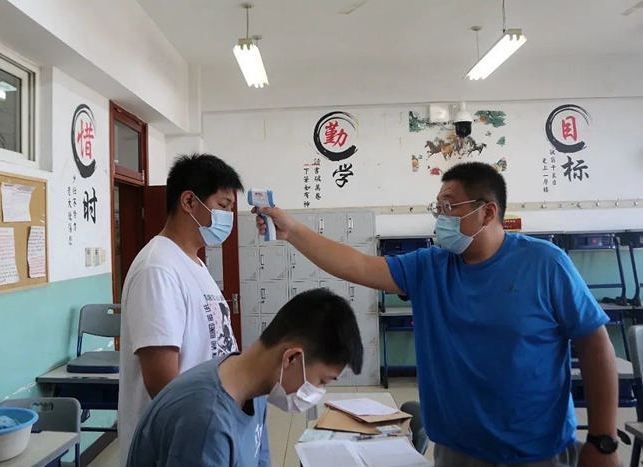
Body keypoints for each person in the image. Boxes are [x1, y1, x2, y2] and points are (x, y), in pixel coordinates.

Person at [254, 162, 620, 467]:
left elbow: (595, 344)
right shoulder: (429, 267)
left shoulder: (545, 264)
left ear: (488, 211)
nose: (440, 217)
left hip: (538, 452)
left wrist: (603, 440)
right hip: (455, 451)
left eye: (450, 206)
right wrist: (293, 231)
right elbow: (358, 265)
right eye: (438, 207)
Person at [127, 288, 364, 467]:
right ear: (291, 358)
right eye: (322, 381)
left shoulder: (254, 388)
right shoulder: (207, 422)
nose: (318, 392)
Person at [118, 153, 244, 466]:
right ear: (189, 201)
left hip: (205, 432)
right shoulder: (157, 268)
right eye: (224, 205)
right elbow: (161, 381)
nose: (229, 217)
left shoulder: (194, 263)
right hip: (175, 443)